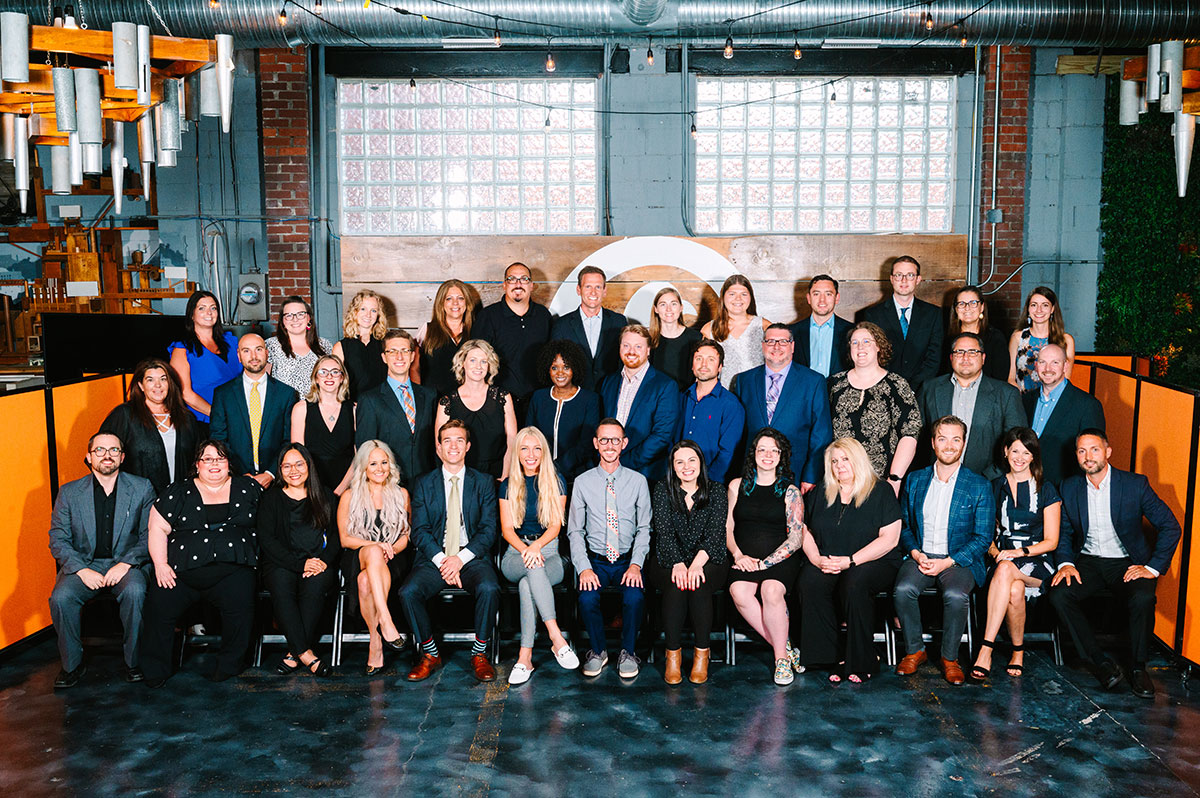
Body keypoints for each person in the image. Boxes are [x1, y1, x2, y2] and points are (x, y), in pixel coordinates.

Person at [1050, 430, 1182, 698]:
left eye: (1094, 449)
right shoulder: (1069, 487)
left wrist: (1152, 567)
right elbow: (1063, 532)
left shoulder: (1135, 485)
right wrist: (1065, 563)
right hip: (1087, 562)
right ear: (1076, 455)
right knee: (1059, 594)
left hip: (1126, 563)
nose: (1088, 456)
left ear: (1108, 452)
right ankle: (1100, 662)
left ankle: (1138, 668)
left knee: (1143, 597)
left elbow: (1171, 526)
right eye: (1082, 451)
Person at [140, 440, 262, 687]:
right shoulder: (178, 491)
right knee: (158, 608)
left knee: (241, 607)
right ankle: (155, 670)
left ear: (229, 463)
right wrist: (161, 564)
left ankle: (229, 665)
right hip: (181, 572)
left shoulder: (248, 487)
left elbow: (269, 523)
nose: (214, 464)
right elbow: (157, 527)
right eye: (207, 459)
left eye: (220, 458)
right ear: (197, 464)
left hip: (232, 569)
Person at [47, 432, 156, 687]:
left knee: (135, 592)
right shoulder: (69, 492)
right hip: (85, 565)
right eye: (100, 450)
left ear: (122, 457)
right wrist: (81, 570)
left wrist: (125, 564)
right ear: (89, 457)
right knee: (61, 598)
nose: (107, 455)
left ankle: (134, 662)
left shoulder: (142, 488)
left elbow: (150, 534)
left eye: (114, 450)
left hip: (127, 563)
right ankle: (71, 666)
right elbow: (58, 539)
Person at [894, 416, 994, 685]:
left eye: (955, 439)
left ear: (964, 443)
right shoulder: (915, 480)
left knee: (955, 595)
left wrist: (948, 562)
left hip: (958, 560)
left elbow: (983, 538)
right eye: (942, 438)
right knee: (903, 590)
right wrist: (916, 553)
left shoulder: (979, 485)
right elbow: (904, 525)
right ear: (932, 442)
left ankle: (950, 658)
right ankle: (915, 651)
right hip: (921, 555)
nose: (949, 445)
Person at [400, 420, 501, 683]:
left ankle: (479, 653)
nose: (453, 446)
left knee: (489, 588)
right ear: (438, 448)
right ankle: (430, 654)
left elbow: (489, 530)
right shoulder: (423, 483)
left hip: (471, 556)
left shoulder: (484, 482)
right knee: (408, 592)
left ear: (468, 446)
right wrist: (444, 560)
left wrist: (460, 559)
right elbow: (419, 530)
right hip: (435, 557)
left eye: (459, 440)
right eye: (447, 440)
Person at [798, 437, 901, 683]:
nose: (839, 465)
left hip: (873, 560)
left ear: (858, 460)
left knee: (854, 583)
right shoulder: (821, 492)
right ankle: (832, 656)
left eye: (845, 459)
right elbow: (803, 529)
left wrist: (851, 561)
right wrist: (816, 559)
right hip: (830, 558)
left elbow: (890, 539)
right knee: (809, 581)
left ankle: (863, 659)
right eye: (834, 461)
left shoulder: (881, 491)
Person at [968, 427, 1061, 681]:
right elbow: (985, 532)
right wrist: (995, 551)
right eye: (1015, 451)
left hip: (1037, 560)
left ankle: (985, 650)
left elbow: (1052, 541)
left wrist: (1019, 552)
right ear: (1006, 451)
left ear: (1034, 457)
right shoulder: (994, 487)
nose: (1020, 457)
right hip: (1001, 558)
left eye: (1026, 452)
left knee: (1006, 569)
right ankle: (1018, 652)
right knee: (1014, 589)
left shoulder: (1046, 489)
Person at [567, 418, 652, 679]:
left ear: (624, 443)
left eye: (615, 440)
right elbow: (575, 531)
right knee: (587, 597)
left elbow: (644, 528)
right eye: (604, 440)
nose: (609, 445)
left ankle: (628, 652)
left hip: (627, 560)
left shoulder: (638, 481)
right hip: (596, 561)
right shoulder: (582, 482)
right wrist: (584, 568)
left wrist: (636, 565)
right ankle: (598, 651)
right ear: (596, 443)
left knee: (634, 597)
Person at [725, 428, 808, 686]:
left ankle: (780, 659)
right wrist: (738, 555)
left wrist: (766, 563)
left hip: (779, 559)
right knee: (739, 591)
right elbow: (728, 528)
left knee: (771, 591)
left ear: (781, 456)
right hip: (745, 557)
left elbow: (796, 538)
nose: (768, 455)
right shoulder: (737, 486)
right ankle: (785, 646)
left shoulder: (790, 491)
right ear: (754, 454)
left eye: (774, 450)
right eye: (762, 449)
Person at [498, 427, 579, 686]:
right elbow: (507, 530)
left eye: (536, 448)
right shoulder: (508, 485)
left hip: (550, 553)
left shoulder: (556, 480)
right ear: (517, 453)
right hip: (515, 554)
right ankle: (556, 637)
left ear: (544, 452)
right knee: (532, 568)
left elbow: (555, 527)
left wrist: (536, 548)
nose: (530, 454)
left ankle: (525, 657)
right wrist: (527, 550)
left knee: (528, 583)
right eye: (524, 448)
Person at [651, 441, 730, 685]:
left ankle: (701, 655)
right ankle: (672, 657)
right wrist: (677, 562)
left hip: (709, 558)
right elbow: (664, 532)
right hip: (668, 556)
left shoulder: (716, 491)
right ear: (673, 467)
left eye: (692, 460)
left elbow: (716, 534)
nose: (687, 466)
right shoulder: (662, 490)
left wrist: (696, 564)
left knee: (698, 584)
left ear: (700, 463)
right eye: (680, 462)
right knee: (676, 585)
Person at [257, 444, 339, 677]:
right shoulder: (271, 498)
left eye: (299, 464)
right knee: (282, 585)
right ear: (280, 470)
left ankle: (294, 653)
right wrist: (299, 564)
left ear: (309, 466)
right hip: (280, 562)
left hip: (318, 562)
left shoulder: (325, 495)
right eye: (287, 466)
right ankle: (305, 653)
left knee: (316, 584)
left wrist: (323, 561)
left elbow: (336, 537)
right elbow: (267, 540)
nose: (293, 470)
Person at [337, 440, 411, 675]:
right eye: (373, 464)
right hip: (357, 555)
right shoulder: (349, 496)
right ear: (363, 468)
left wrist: (391, 549)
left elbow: (406, 536)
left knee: (365, 581)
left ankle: (375, 639)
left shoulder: (401, 494)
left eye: (384, 462)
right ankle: (386, 620)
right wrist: (377, 546)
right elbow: (345, 539)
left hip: (394, 557)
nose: (380, 468)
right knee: (372, 552)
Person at [733, 323, 833, 492]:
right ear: (763, 345)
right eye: (771, 341)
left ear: (792, 346)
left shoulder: (813, 381)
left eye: (783, 342)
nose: (776, 346)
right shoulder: (744, 380)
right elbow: (738, 433)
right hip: (753, 475)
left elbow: (821, 434)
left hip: (797, 473)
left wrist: (811, 475)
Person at [918, 332, 1025, 480]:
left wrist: (988, 477)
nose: (965, 357)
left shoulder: (1006, 394)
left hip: (987, 482)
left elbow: (1017, 444)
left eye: (973, 352)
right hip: (936, 479)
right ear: (951, 358)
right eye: (959, 352)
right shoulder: (930, 388)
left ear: (983, 358)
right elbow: (916, 437)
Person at [828, 322, 923, 488]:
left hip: (881, 482)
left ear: (878, 346)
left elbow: (910, 434)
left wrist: (894, 479)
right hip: (839, 481)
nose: (860, 347)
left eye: (866, 341)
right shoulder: (834, 385)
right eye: (855, 342)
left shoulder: (897, 384)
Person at [209, 333, 298, 490]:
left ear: (267, 353)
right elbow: (218, 439)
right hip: (236, 480)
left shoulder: (286, 394)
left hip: (277, 482)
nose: (254, 356)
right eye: (246, 351)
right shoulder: (223, 394)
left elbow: (288, 439)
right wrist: (240, 474)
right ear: (239, 356)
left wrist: (270, 473)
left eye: (258, 349)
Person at [100, 358, 200, 495]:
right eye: (150, 380)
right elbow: (100, 456)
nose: (158, 385)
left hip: (180, 499)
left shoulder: (186, 418)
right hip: (139, 500)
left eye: (163, 379)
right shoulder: (124, 415)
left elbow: (198, 459)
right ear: (141, 385)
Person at [598, 325, 681, 481]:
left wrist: (622, 464)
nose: (631, 351)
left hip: (644, 473)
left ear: (648, 350)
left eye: (638, 346)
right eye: (626, 345)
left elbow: (662, 436)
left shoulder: (665, 386)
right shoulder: (609, 382)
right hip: (606, 470)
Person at [355, 329, 437, 487]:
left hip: (427, 484)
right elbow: (365, 451)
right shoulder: (369, 400)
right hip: (389, 485)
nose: (399, 357)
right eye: (392, 351)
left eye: (404, 351)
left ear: (412, 356)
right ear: (384, 357)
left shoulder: (430, 396)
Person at [473, 262, 554, 417]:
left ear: (531, 285)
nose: (518, 284)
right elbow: (477, 360)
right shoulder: (488, 316)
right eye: (512, 279)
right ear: (504, 285)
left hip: (537, 401)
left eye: (524, 279)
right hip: (498, 402)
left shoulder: (543, 316)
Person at [1022, 343, 1105, 485]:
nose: (1048, 369)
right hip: (1026, 485)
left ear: (1065, 366)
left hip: (1065, 490)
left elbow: (1093, 457)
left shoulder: (1087, 405)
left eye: (1055, 362)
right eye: (1042, 362)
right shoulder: (1025, 401)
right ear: (1036, 366)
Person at [858, 255, 943, 392]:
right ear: (892, 279)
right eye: (899, 275)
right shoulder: (872, 315)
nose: (904, 280)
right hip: (884, 390)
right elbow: (872, 356)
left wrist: (913, 388)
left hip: (921, 391)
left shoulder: (933, 314)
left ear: (918, 279)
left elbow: (934, 357)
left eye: (910, 275)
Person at [435, 339, 517, 480]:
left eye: (484, 361)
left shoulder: (502, 397)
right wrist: (458, 478)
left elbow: (512, 441)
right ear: (463, 363)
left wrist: (505, 476)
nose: (478, 366)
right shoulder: (447, 401)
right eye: (473, 360)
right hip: (461, 476)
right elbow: (440, 446)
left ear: (489, 365)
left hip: (497, 474)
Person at [527, 339, 602, 484]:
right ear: (548, 369)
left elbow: (586, 444)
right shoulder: (538, 397)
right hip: (540, 475)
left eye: (566, 367)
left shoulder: (589, 399)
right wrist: (542, 468)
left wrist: (555, 468)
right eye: (554, 368)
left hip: (577, 477)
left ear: (575, 368)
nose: (560, 373)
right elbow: (530, 435)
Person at [676, 338, 744, 483]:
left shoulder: (731, 405)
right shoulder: (681, 398)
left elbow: (727, 452)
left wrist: (706, 482)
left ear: (720, 367)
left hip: (709, 483)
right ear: (692, 365)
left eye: (711, 359)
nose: (704, 364)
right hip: (676, 480)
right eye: (699, 358)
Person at [168, 290, 241, 423]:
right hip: (204, 421)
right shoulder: (182, 349)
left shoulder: (231, 342)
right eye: (202, 308)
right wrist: (217, 415)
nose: (209, 313)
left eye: (213, 308)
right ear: (192, 314)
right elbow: (185, 394)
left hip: (236, 415)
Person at [550, 266, 627, 391]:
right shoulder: (561, 325)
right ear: (578, 289)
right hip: (575, 395)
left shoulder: (619, 322)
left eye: (598, 287)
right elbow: (554, 364)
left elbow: (623, 362)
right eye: (588, 287)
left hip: (610, 394)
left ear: (604, 291)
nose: (593, 292)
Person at [291, 354, 355, 495]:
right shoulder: (301, 409)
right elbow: (298, 456)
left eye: (335, 372)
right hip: (311, 488)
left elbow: (359, 457)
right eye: (323, 372)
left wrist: (340, 490)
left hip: (347, 488)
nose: (329, 376)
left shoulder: (354, 410)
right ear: (316, 378)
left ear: (342, 378)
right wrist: (315, 490)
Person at [700, 275, 770, 388]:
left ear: (751, 297)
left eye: (744, 294)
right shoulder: (709, 329)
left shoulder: (764, 326)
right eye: (732, 294)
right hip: (723, 394)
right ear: (723, 297)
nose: (738, 299)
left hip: (756, 392)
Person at [415, 278, 474, 398]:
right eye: (449, 298)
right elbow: (414, 368)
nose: (455, 303)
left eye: (460, 298)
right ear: (441, 303)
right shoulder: (427, 330)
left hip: (467, 401)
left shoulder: (476, 331)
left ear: (467, 303)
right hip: (432, 400)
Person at [1010, 285, 1076, 391]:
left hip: (1052, 399)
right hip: (1021, 398)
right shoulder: (1018, 337)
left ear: (1052, 309)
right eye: (1034, 305)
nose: (1039, 310)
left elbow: (1065, 380)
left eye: (1045, 305)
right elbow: (1010, 378)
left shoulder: (1066, 340)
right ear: (1028, 309)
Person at [265, 295, 333, 396]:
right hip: (285, 405)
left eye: (300, 314)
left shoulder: (324, 345)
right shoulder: (271, 346)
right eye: (289, 315)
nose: (295, 319)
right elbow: (263, 383)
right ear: (283, 321)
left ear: (308, 318)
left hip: (317, 404)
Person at [790, 274, 853, 378]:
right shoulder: (792, 332)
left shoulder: (851, 331)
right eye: (816, 294)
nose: (822, 300)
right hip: (805, 388)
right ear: (809, 298)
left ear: (837, 298)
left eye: (828, 294)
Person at [331, 289, 388, 401]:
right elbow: (336, 384)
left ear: (378, 315)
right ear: (355, 312)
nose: (368, 315)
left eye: (373, 310)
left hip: (382, 405)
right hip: (354, 406)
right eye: (363, 309)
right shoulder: (340, 347)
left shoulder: (386, 344)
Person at [946, 285, 1008, 381]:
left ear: (982, 307)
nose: (967, 308)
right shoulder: (945, 338)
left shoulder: (995, 338)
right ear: (956, 309)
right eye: (961, 303)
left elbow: (1000, 377)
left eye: (973, 303)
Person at [650, 286, 702, 389]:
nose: (668, 309)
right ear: (656, 309)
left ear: (681, 308)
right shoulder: (649, 340)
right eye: (663, 304)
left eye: (673, 304)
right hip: (658, 396)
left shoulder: (696, 338)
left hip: (686, 396)